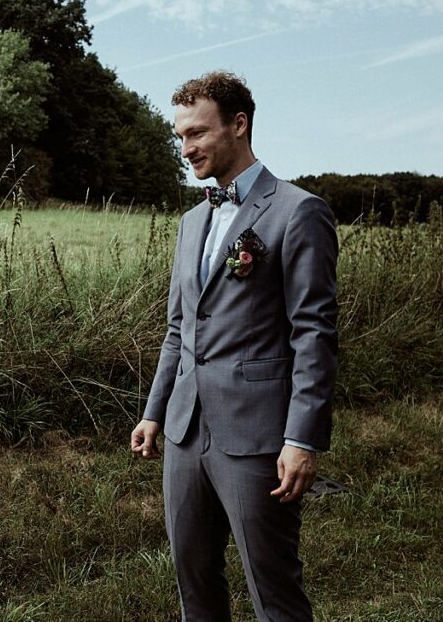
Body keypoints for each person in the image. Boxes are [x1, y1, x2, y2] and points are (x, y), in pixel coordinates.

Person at [130, 72, 338, 621]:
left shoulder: (298, 211)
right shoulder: (190, 221)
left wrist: (301, 438)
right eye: (179, 137)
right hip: (184, 431)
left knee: (273, 590)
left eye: (196, 134)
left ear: (238, 124)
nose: (185, 148)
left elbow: (313, 334)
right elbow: (180, 328)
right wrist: (154, 413)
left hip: (257, 436)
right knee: (193, 580)